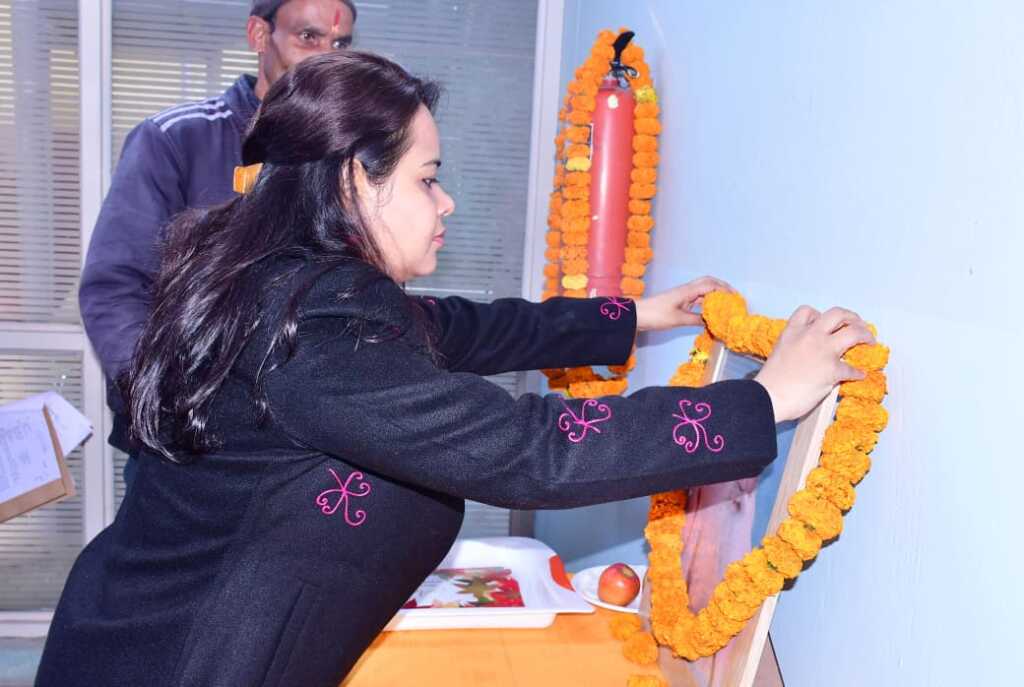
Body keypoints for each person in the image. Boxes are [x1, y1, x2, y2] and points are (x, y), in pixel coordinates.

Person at [37, 51, 874, 686]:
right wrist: (762, 399)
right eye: (428, 179)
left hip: (136, 631)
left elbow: (465, 327)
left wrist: (635, 316)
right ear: (354, 182)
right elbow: (530, 448)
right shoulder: (312, 332)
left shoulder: (287, 282)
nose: (446, 203)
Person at [78, 0, 357, 487]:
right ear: (258, 35)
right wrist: (160, 401)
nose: (326, 59)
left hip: (305, 445)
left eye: (340, 44)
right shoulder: (177, 139)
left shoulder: (345, 153)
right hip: (188, 443)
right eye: (308, 38)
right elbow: (115, 286)